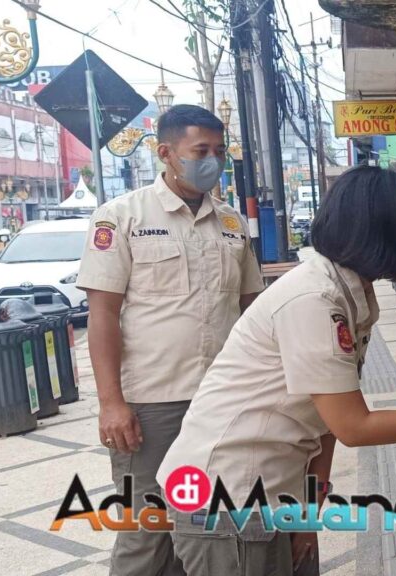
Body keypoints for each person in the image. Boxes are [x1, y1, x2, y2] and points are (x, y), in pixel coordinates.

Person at [157, 166, 396, 576]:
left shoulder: (351, 291)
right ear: (376, 233)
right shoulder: (313, 300)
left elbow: (326, 422)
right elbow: (354, 426)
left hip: (276, 493)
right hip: (230, 498)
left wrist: (311, 509)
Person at [76, 104, 264, 576]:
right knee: (146, 534)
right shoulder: (122, 216)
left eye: (219, 151)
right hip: (151, 406)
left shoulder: (231, 223)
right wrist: (111, 403)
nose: (213, 161)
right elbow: (102, 316)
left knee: (203, 528)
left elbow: (249, 312)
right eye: (200, 150)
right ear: (165, 153)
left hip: (220, 402)